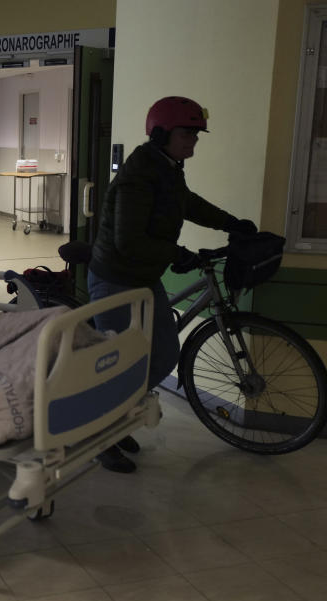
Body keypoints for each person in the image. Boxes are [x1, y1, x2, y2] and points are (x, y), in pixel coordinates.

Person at [88, 96, 258, 473]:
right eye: (187, 134)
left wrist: (231, 223)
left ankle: (116, 421)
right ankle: (101, 433)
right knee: (117, 363)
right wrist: (176, 254)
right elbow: (127, 241)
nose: (193, 141)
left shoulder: (168, 168)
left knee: (163, 354)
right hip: (115, 278)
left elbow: (188, 203)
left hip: (143, 276)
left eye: (197, 135)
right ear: (162, 133)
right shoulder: (138, 176)